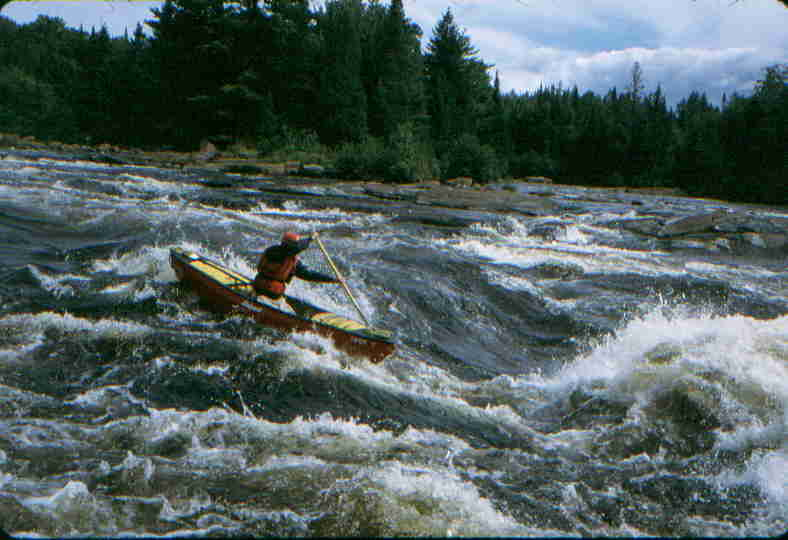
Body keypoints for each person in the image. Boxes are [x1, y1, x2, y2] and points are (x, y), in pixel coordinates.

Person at [253, 231, 337, 310]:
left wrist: (310, 239)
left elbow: (308, 274)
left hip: (259, 287)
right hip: (271, 292)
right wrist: (310, 239)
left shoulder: (272, 250)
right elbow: (299, 249)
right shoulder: (283, 256)